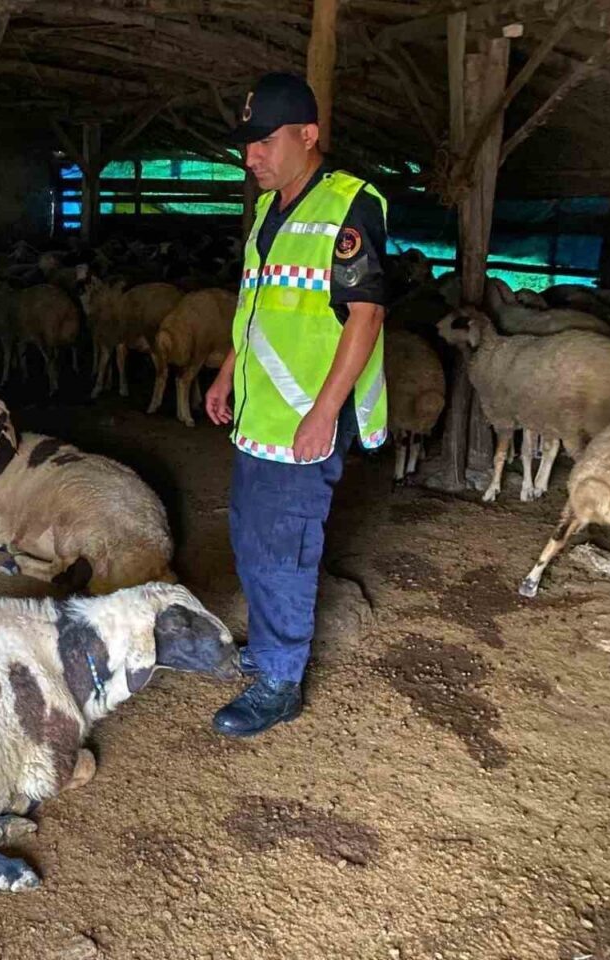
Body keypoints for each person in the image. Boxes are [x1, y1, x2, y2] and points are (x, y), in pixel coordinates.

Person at [205, 73, 389, 737]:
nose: (250, 155)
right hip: (261, 415)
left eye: (263, 141)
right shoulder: (265, 213)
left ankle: (280, 683)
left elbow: (365, 317)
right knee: (251, 535)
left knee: (284, 545)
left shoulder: (350, 207)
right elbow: (256, 304)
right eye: (245, 144)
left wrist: (323, 413)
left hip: (306, 418)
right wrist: (227, 371)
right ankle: (269, 649)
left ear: (308, 135)